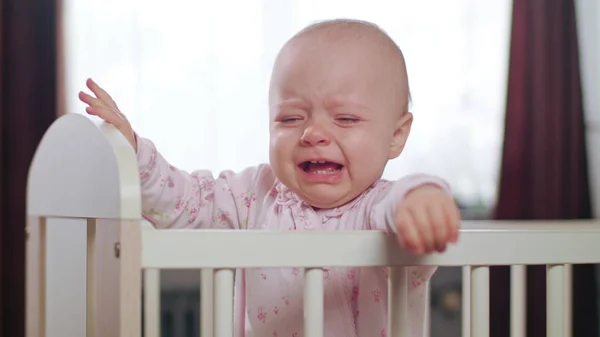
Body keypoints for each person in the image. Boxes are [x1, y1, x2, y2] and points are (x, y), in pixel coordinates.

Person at [79, 18, 460, 337]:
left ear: (396, 136)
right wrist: (133, 152)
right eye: (290, 118)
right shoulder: (254, 195)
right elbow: (186, 202)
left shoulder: (379, 208)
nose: (313, 133)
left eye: (345, 118)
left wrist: (423, 199)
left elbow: (401, 203)